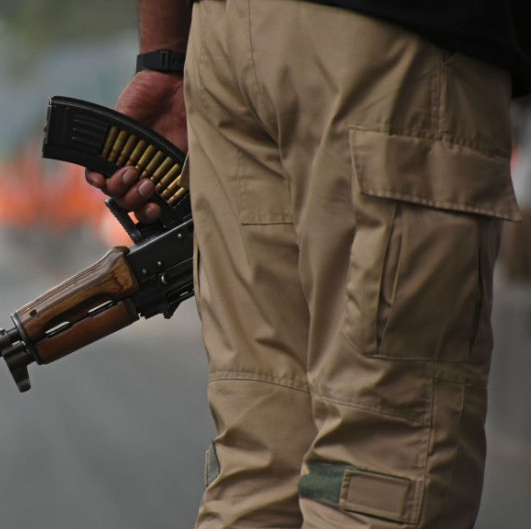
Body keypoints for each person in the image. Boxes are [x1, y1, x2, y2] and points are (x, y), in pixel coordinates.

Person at [86, 1, 531, 528]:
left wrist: (164, 58)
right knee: (383, 461)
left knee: (260, 466)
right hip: (392, 41)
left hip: (229, 40)